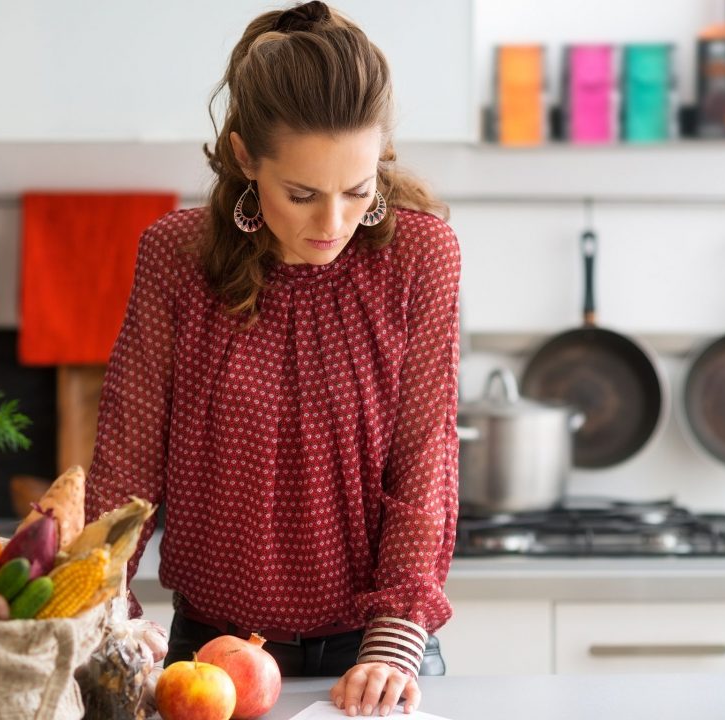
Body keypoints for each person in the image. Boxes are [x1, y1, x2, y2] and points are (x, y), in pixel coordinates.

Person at [86, 2, 460, 716]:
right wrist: (102, 610)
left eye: (358, 191)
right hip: (213, 658)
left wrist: (390, 645)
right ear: (244, 159)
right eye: (302, 194)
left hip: (378, 652)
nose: (333, 225)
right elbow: (126, 462)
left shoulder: (420, 258)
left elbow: (424, 464)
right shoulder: (175, 256)